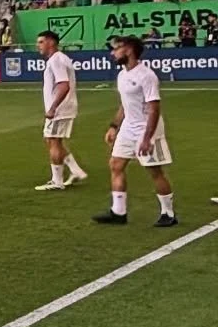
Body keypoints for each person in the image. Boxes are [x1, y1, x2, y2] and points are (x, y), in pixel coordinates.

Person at [93, 36, 178, 227]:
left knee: (154, 171)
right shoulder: (122, 74)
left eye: (116, 49)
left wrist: (147, 138)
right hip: (128, 128)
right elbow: (125, 105)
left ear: (129, 50)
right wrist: (114, 126)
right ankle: (118, 212)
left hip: (147, 129)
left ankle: (168, 213)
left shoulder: (146, 76)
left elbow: (154, 109)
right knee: (116, 165)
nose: (112, 53)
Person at [34, 32, 86, 191]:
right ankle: (76, 170)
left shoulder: (56, 60)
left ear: (51, 42)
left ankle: (57, 181)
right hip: (64, 107)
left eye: (41, 42)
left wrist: (53, 107)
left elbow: (64, 85)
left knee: (53, 141)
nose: (38, 46)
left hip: (60, 109)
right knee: (52, 140)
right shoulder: (61, 58)